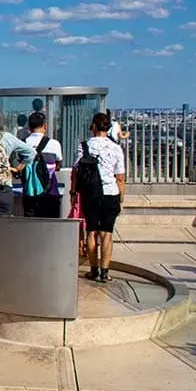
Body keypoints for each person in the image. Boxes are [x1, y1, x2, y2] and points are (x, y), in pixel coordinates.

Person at [72, 113, 126, 283]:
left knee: (91, 232)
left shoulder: (84, 146)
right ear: (108, 128)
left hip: (91, 194)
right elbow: (120, 177)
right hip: (111, 193)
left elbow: (75, 172)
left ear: (93, 126)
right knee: (107, 234)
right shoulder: (116, 148)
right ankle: (104, 272)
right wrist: (121, 198)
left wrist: (73, 193)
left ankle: (93, 269)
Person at [21, 111, 63, 219]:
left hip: (29, 190)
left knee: (30, 223)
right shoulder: (54, 144)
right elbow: (58, 165)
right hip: (50, 190)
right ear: (45, 126)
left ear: (29, 127)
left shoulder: (23, 143)